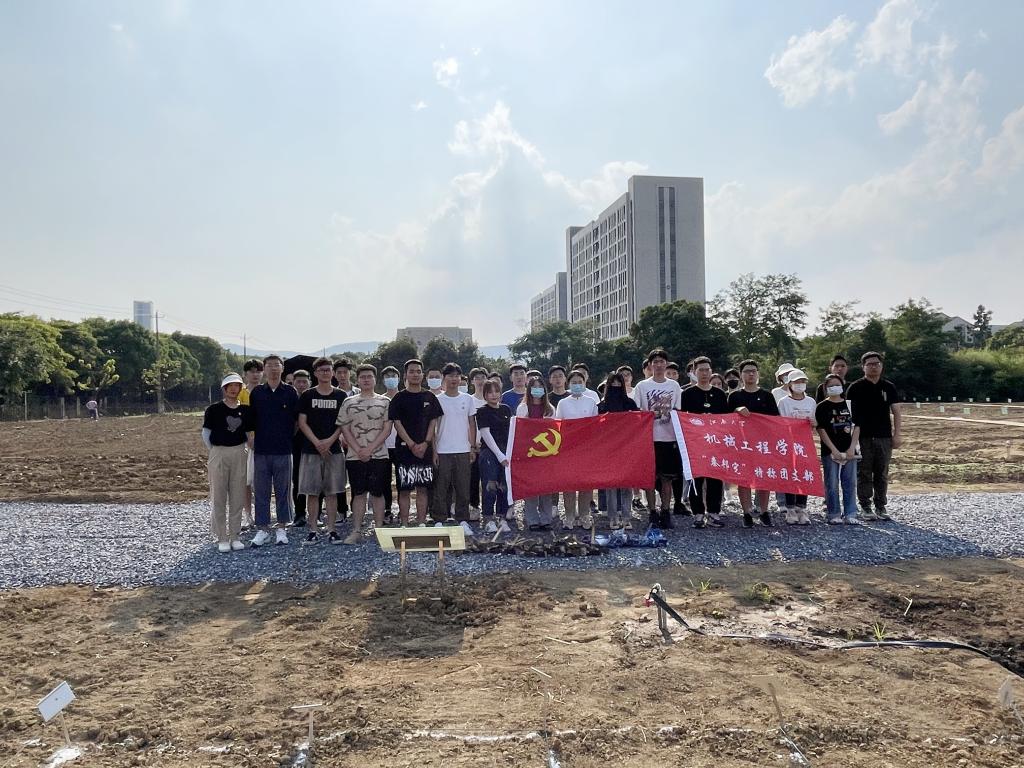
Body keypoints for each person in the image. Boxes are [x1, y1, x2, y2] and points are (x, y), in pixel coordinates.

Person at [337, 364, 392, 543]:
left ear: (375, 379)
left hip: (379, 455)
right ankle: (356, 530)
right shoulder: (348, 402)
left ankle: (379, 529)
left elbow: (387, 429)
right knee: (358, 493)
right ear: (358, 380)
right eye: (363, 377)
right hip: (355, 455)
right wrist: (358, 449)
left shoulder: (385, 402)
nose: (366, 380)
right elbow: (344, 428)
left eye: (369, 376)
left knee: (378, 493)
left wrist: (370, 449)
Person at [248, 354, 299, 546]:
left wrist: (286, 438)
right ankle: (262, 529)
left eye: (276, 365)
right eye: (269, 365)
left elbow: (296, 422)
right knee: (261, 491)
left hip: (283, 449)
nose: (273, 368)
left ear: (282, 368)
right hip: (261, 449)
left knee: (283, 490)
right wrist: (251, 439)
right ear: (264, 369)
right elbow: (252, 420)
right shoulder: (257, 393)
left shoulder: (290, 392)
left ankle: (281, 528)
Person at [202, 373, 256, 552]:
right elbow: (206, 434)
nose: (234, 389)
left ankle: (235, 535)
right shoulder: (214, 409)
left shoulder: (246, 410)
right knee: (218, 496)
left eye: (237, 386)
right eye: (230, 386)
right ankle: (221, 537)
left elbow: (248, 434)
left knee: (237, 495)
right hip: (218, 452)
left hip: (239, 452)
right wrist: (216, 451)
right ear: (224, 389)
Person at [846, 351, 902, 521]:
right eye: (870, 364)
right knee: (864, 472)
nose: (874, 367)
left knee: (882, 472)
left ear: (882, 366)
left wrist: (897, 434)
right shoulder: (855, 387)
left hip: (884, 436)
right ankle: (865, 506)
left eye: (877, 364)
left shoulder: (888, 387)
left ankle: (881, 506)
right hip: (862, 437)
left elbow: (896, 412)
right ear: (863, 367)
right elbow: (848, 415)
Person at [296, 358, 347, 545]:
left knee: (332, 492)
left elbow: (343, 423)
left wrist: (330, 441)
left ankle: (332, 529)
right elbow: (302, 422)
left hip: (334, 450)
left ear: (332, 372)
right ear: (315, 373)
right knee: (312, 492)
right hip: (311, 450)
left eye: (328, 369)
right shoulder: (307, 395)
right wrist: (317, 442)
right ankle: (313, 530)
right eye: (322, 370)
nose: (325, 373)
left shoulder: (341, 395)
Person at [388, 359, 443, 526]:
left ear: (423, 375)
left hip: (425, 450)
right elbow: (397, 423)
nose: (415, 374)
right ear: (405, 375)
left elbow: (433, 422)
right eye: (411, 371)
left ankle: (421, 522)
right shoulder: (398, 398)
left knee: (423, 488)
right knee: (404, 489)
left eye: (418, 371)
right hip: (404, 450)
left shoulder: (430, 397)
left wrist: (426, 443)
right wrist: (411, 444)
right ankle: (404, 523)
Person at [632, 348, 682, 530]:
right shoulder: (642, 386)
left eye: (662, 361)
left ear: (666, 364)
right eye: (655, 362)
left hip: (669, 437)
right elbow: (636, 411)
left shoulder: (674, 386)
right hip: (649, 438)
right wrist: (648, 415)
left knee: (667, 478)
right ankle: (652, 511)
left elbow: (678, 410)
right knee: (650, 477)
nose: (659, 365)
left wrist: (671, 413)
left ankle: (666, 511)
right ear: (650, 365)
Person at [680, 356, 730, 529]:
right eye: (700, 370)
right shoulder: (687, 394)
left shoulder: (720, 394)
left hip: (715, 441)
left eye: (707, 370)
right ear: (694, 372)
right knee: (696, 478)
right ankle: (698, 513)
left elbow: (726, 418)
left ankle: (714, 512)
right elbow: (682, 418)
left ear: (711, 371)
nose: (704, 373)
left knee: (715, 477)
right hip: (695, 442)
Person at [728, 359, 779, 527]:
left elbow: (775, 420)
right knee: (744, 479)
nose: (750, 374)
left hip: (763, 444)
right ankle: (747, 512)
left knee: (764, 478)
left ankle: (764, 511)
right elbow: (725, 420)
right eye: (747, 371)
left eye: (753, 371)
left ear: (758, 374)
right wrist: (736, 410)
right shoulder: (735, 396)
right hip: (742, 443)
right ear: (741, 375)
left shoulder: (767, 396)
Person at [432, 363, 477, 524]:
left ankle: (463, 520)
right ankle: (439, 519)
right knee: (441, 488)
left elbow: (471, 423)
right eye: (450, 375)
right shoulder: (437, 400)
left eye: (457, 376)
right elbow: (433, 427)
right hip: (442, 450)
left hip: (463, 449)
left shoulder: (468, 399)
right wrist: (434, 450)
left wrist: (472, 447)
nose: (454, 379)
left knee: (463, 488)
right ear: (444, 378)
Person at [554, 370, 599, 529]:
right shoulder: (563, 403)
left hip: (587, 448)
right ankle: (570, 515)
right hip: (568, 448)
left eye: (580, 382)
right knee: (569, 483)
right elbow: (558, 425)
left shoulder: (591, 402)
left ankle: (585, 514)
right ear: (568, 384)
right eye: (574, 382)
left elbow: (596, 425)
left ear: (585, 383)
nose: (577, 385)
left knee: (586, 483)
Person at [816, 373, 860, 524]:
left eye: (837, 385)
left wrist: (852, 447)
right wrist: (833, 450)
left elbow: (857, 427)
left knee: (850, 482)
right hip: (830, 451)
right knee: (832, 483)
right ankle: (833, 513)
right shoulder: (822, 406)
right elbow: (821, 430)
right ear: (825, 388)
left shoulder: (850, 405)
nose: (834, 388)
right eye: (831, 386)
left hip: (850, 450)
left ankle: (851, 513)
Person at [598, 372, 639, 529]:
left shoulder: (630, 403)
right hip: (608, 449)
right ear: (608, 386)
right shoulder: (602, 405)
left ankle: (627, 516)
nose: (616, 386)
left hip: (627, 447)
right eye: (612, 384)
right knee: (611, 484)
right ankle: (613, 517)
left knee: (626, 483)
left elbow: (638, 422)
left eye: (618, 383)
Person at [516, 374, 556, 531]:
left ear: (544, 389)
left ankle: (546, 519)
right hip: (529, 453)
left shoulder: (550, 409)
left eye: (540, 386)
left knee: (546, 486)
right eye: (534, 387)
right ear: (529, 389)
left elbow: (555, 431)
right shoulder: (522, 408)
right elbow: (519, 430)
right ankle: (532, 519)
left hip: (547, 453)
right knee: (531, 486)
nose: (537, 389)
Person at [777, 369, 817, 525]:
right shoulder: (783, 402)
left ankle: (802, 508)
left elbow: (814, 422)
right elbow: (780, 423)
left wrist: (813, 423)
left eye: (802, 381)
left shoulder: (811, 402)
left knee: (804, 474)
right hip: (789, 443)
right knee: (791, 475)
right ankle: (790, 508)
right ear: (790, 384)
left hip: (806, 444)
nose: (800, 384)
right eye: (796, 382)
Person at [476, 380, 513, 530]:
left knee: (504, 485)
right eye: (490, 392)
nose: (494, 395)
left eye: (496, 391)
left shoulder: (506, 409)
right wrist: (499, 455)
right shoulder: (482, 411)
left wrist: (507, 453)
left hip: (506, 451)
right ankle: (488, 518)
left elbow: (512, 431)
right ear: (485, 395)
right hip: (489, 452)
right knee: (490, 485)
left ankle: (502, 517)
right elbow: (486, 434)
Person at [240, 358, 263, 527]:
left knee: (265, 480)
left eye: (258, 371)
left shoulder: (266, 391)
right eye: (252, 372)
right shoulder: (240, 393)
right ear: (245, 374)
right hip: (245, 442)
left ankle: (265, 513)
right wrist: (248, 438)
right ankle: (248, 514)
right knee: (246, 481)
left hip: (265, 441)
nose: (255, 375)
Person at [289, 370, 314, 528]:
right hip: (295, 444)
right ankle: (299, 514)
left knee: (315, 479)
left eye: (304, 381)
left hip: (313, 443)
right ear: (294, 383)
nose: (302, 385)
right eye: (298, 382)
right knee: (297, 479)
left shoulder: (314, 397)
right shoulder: (291, 400)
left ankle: (316, 514)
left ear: (309, 382)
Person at [380, 366, 402, 521]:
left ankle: (403, 509)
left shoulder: (404, 397)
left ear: (399, 378)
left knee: (402, 480)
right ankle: (387, 510)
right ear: (383, 380)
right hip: (383, 446)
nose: (391, 379)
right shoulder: (380, 400)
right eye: (387, 376)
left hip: (401, 445)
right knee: (384, 480)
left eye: (393, 376)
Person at [468, 367, 488, 518]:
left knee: (489, 480)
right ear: (472, 381)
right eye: (477, 378)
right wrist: (472, 444)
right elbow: (468, 424)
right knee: (473, 479)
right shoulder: (468, 400)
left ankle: (489, 510)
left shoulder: (493, 399)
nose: (480, 381)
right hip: (473, 446)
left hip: (489, 447)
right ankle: (474, 507)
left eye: (483, 377)